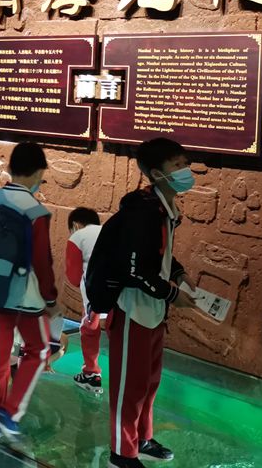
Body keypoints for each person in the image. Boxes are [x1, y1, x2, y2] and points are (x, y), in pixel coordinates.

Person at [91, 138, 196, 468]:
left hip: (154, 310)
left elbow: (157, 254)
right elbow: (134, 269)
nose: (185, 170)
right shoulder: (143, 212)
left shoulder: (163, 208)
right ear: (157, 173)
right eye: (177, 165)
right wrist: (172, 294)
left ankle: (142, 438)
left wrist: (177, 273)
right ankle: (121, 454)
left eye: (185, 163)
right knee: (129, 386)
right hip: (133, 308)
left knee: (149, 382)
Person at [0, 141, 60, 445]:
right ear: (39, 172)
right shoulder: (36, 211)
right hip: (24, 295)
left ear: (10, 168)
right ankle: (9, 413)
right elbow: (42, 261)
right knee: (39, 349)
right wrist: (50, 298)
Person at [65, 206, 104, 394]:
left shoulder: (77, 237)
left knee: (90, 330)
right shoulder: (111, 230)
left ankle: (91, 374)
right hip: (124, 291)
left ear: (75, 224)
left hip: (96, 289)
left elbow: (73, 276)